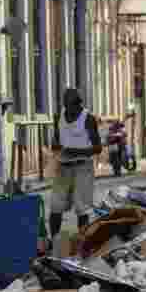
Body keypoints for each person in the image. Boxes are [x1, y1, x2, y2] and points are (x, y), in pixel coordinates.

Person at [50, 88, 102, 240]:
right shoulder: (59, 117)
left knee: (82, 207)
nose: (70, 109)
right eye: (67, 105)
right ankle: (54, 241)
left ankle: (81, 241)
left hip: (83, 167)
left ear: (79, 104)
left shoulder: (88, 119)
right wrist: (57, 147)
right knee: (55, 205)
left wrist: (77, 152)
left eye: (74, 106)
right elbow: (56, 140)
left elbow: (98, 148)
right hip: (63, 166)